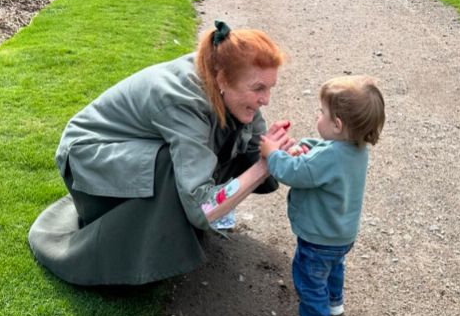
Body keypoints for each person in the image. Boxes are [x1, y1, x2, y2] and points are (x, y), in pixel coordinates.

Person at [29, 21, 292, 287]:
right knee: (169, 164)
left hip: (124, 154)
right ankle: (119, 258)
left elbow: (255, 145)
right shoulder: (183, 101)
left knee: (205, 150)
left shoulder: (228, 80)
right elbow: (203, 208)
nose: (266, 100)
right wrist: (262, 169)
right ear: (223, 79)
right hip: (86, 162)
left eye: (270, 87)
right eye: (259, 88)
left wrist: (288, 156)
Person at [260, 75, 385, 316]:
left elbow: (293, 172)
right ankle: (333, 302)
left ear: (337, 124)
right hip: (341, 234)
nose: (318, 116)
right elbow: (325, 151)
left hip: (318, 237)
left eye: (322, 113)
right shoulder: (356, 149)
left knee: (308, 278)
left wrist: (272, 153)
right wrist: (307, 147)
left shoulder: (329, 158)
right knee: (332, 269)